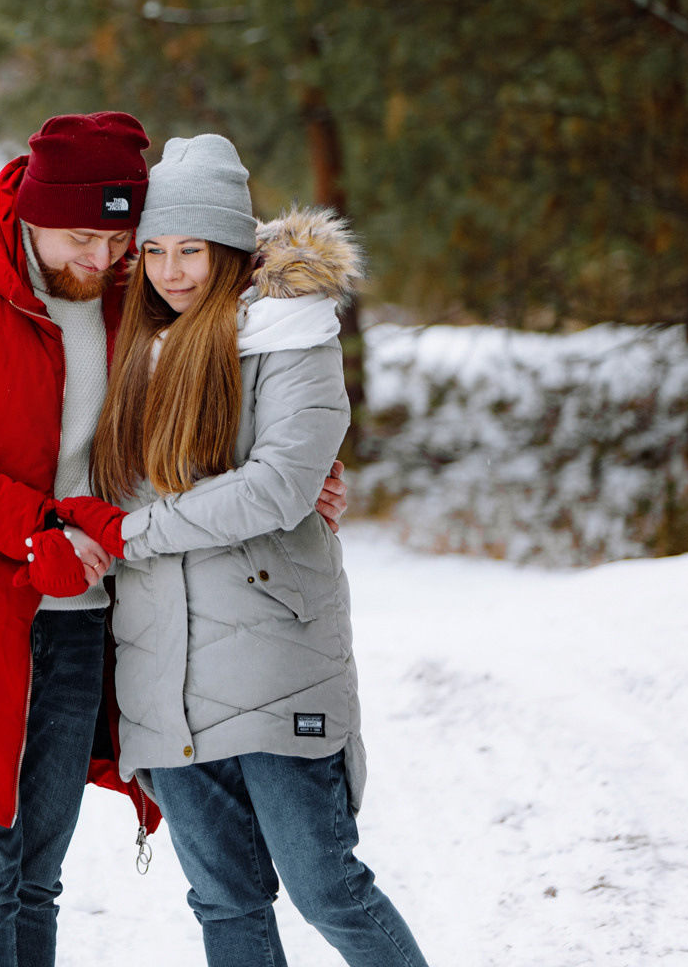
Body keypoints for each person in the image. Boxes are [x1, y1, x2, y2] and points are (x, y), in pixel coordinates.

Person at [0, 115, 348, 967]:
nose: (102, 258)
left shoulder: (129, 296)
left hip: (84, 618)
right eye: (82, 237)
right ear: (31, 212)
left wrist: (301, 470)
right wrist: (30, 527)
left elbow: (231, 357)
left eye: (121, 239)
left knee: (37, 872)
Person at [48, 134, 430, 967]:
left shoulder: (289, 335)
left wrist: (130, 534)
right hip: (161, 672)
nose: (173, 271)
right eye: (153, 251)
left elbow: (278, 486)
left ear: (230, 247)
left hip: (271, 657)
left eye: (192, 249)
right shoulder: (133, 354)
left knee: (327, 884)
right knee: (224, 904)